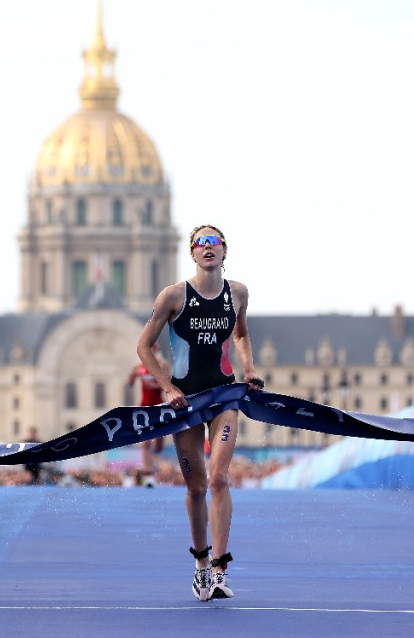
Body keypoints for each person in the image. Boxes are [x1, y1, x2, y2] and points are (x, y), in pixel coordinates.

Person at [136, 224, 263, 602]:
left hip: (224, 397)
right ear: (192, 254)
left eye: (214, 242)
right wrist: (168, 387)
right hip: (187, 402)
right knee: (196, 486)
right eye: (200, 243)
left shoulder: (237, 293)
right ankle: (201, 565)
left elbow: (239, 334)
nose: (207, 248)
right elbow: (144, 346)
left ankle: (221, 569)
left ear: (225, 251)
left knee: (220, 477)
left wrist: (250, 369)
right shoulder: (173, 296)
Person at [127, 343, 168, 485]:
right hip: (144, 407)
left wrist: (155, 384)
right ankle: (148, 471)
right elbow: (130, 382)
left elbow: (169, 383)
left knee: (158, 446)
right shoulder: (139, 367)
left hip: (158, 406)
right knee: (145, 442)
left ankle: (155, 461)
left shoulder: (162, 365)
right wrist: (131, 378)